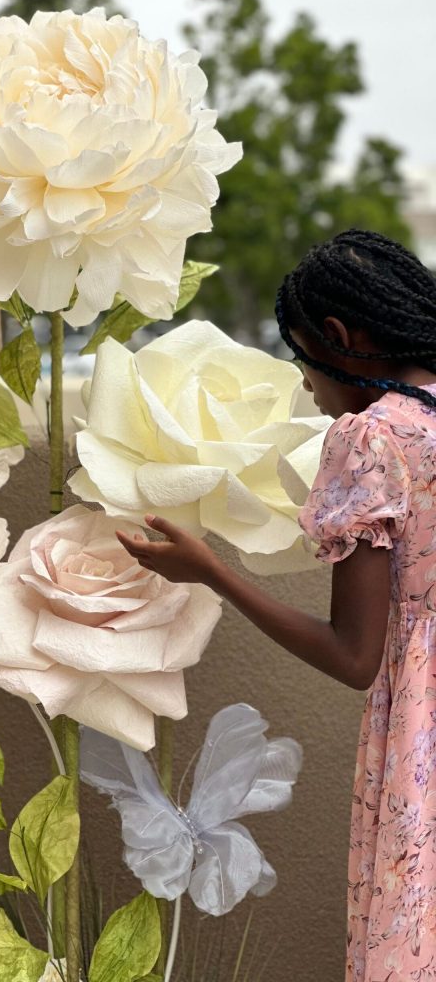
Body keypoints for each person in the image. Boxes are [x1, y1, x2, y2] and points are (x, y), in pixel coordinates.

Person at [116, 229, 436, 982]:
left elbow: (355, 657)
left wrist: (215, 574)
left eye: (302, 360)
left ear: (340, 339)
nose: (306, 389)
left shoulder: (374, 440)